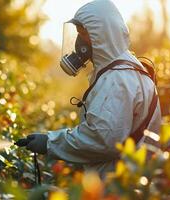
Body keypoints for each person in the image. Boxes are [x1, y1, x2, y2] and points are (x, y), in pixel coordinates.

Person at [24, 0, 162, 178]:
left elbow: (102, 139)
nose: (79, 41)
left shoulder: (116, 79)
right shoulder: (127, 69)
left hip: (118, 185)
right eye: (78, 33)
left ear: (102, 35)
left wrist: (50, 142)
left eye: (83, 33)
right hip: (131, 181)